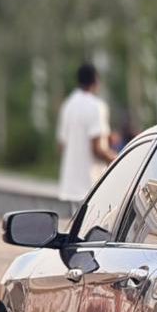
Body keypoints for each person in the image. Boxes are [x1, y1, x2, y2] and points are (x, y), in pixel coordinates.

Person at [57, 63, 116, 212]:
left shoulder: (68, 105)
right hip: (91, 184)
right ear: (96, 80)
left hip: (72, 186)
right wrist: (120, 161)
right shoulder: (96, 106)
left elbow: (62, 145)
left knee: (76, 231)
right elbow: (97, 149)